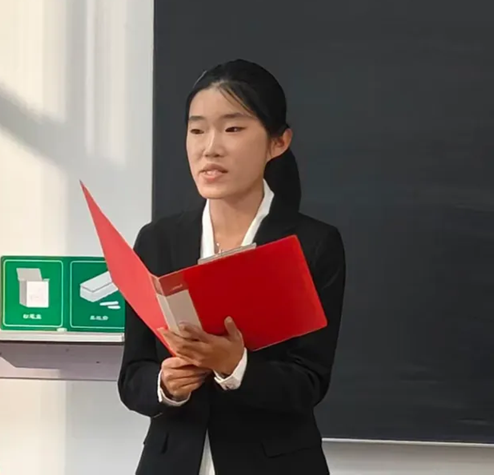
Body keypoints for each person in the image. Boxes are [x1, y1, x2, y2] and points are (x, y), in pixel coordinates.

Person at [117, 59, 347, 475]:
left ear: (278, 142)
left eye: (233, 128)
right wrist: (165, 384)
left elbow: (309, 381)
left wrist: (235, 365)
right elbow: (133, 375)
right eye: (197, 130)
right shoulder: (157, 240)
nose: (210, 148)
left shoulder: (311, 244)